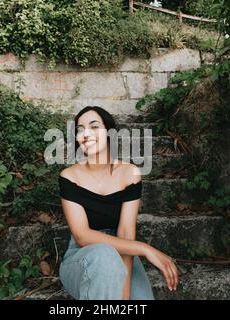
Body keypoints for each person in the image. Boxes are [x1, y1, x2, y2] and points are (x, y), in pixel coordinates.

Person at [58, 106, 179, 300]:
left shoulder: (129, 174)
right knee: (104, 256)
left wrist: (123, 297)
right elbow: (82, 236)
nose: (86, 134)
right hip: (82, 256)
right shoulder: (69, 177)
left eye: (94, 126)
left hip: (122, 247)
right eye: (80, 129)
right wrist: (146, 249)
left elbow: (125, 233)